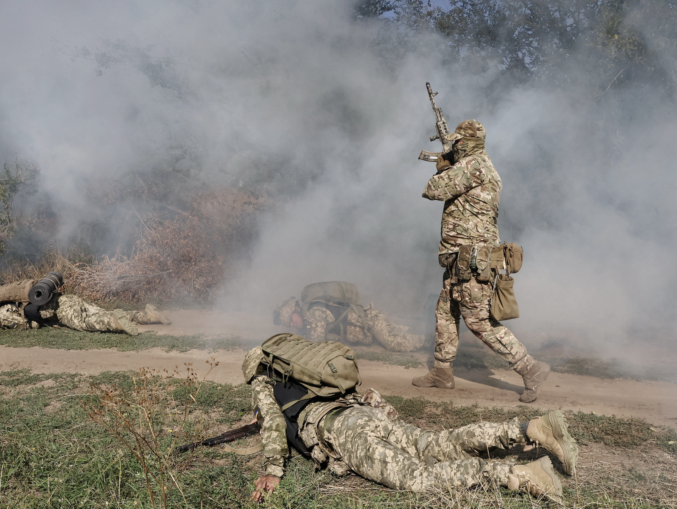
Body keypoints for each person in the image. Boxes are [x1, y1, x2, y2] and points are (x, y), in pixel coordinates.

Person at [242, 344, 578, 503]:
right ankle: (530, 428)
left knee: (418, 477)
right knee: (435, 444)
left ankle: (515, 475)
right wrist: (391, 426)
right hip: (365, 413)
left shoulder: (265, 382)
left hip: (342, 430)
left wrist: (273, 468)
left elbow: (272, 423)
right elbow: (365, 393)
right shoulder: (305, 364)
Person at [412, 120, 550, 402]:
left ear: (464, 144)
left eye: (456, 143)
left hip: (472, 260)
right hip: (460, 258)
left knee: (480, 321)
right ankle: (442, 372)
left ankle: (530, 368)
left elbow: (433, 190)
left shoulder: (473, 165)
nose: (454, 147)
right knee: (446, 312)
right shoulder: (480, 164)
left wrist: (444, 166)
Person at [0, 278, 170, 335]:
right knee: (101, 311)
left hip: (63, 311)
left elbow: (33, 325)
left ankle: (114, 323)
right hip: (67, 299)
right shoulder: (4, 299)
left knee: (86, 323)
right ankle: (147, 315)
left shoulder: (4, 314)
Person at [273, 281, 425, 352]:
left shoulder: (314, 314)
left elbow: (315, 345)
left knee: (395, 344)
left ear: (297, 309)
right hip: (370, 324)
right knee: (401, 331)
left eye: (291, 320)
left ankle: (431, 342)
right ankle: (426, 330)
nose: (292, 325)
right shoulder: (310, 315)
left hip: (371, 323)